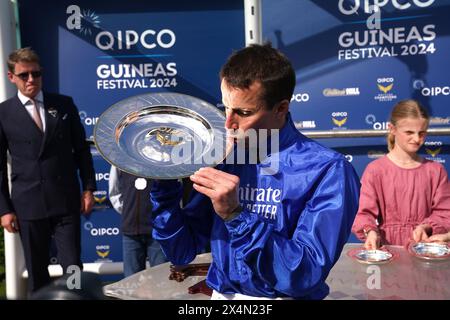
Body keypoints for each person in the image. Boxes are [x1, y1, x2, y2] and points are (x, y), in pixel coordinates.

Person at [150, 43, 361, 299]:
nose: (228, 123)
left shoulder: (328, 170)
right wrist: (164, 185)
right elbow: (181, 251)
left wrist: (236, 214)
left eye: (244, 112)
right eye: (225, 107)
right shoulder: (227, 156)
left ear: (281, 108)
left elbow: (304, 273)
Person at [0, 47, 96, 293]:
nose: (31, 79)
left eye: (36, 73)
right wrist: (5, 209)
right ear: (12, 77)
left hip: (65, 200)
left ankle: (75, 299)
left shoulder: (63, 104)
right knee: (37, 270)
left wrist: (87, 188)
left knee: (73, 266)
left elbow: (81, 150)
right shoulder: (3, 113)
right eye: (24, 75)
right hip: (28, 204)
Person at [352, 99, 450, 250]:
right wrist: (371, 232)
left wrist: (426, 227)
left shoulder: (436, 171)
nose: (417, 139)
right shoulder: (375, 170)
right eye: (409, 132)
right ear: (392, 129)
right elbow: (363, 213)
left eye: (422, 133)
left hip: (424, 252)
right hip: (388, 253)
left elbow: (445, 213)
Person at [108, 166, 167, 277]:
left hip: (159, 231)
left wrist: (163, 217)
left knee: (162, 280)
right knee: (131, 283)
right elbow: (114, 191)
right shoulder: (121, 157)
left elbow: (173, 191)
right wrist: (127, 211)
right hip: (131, 232)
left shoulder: (163, 156)